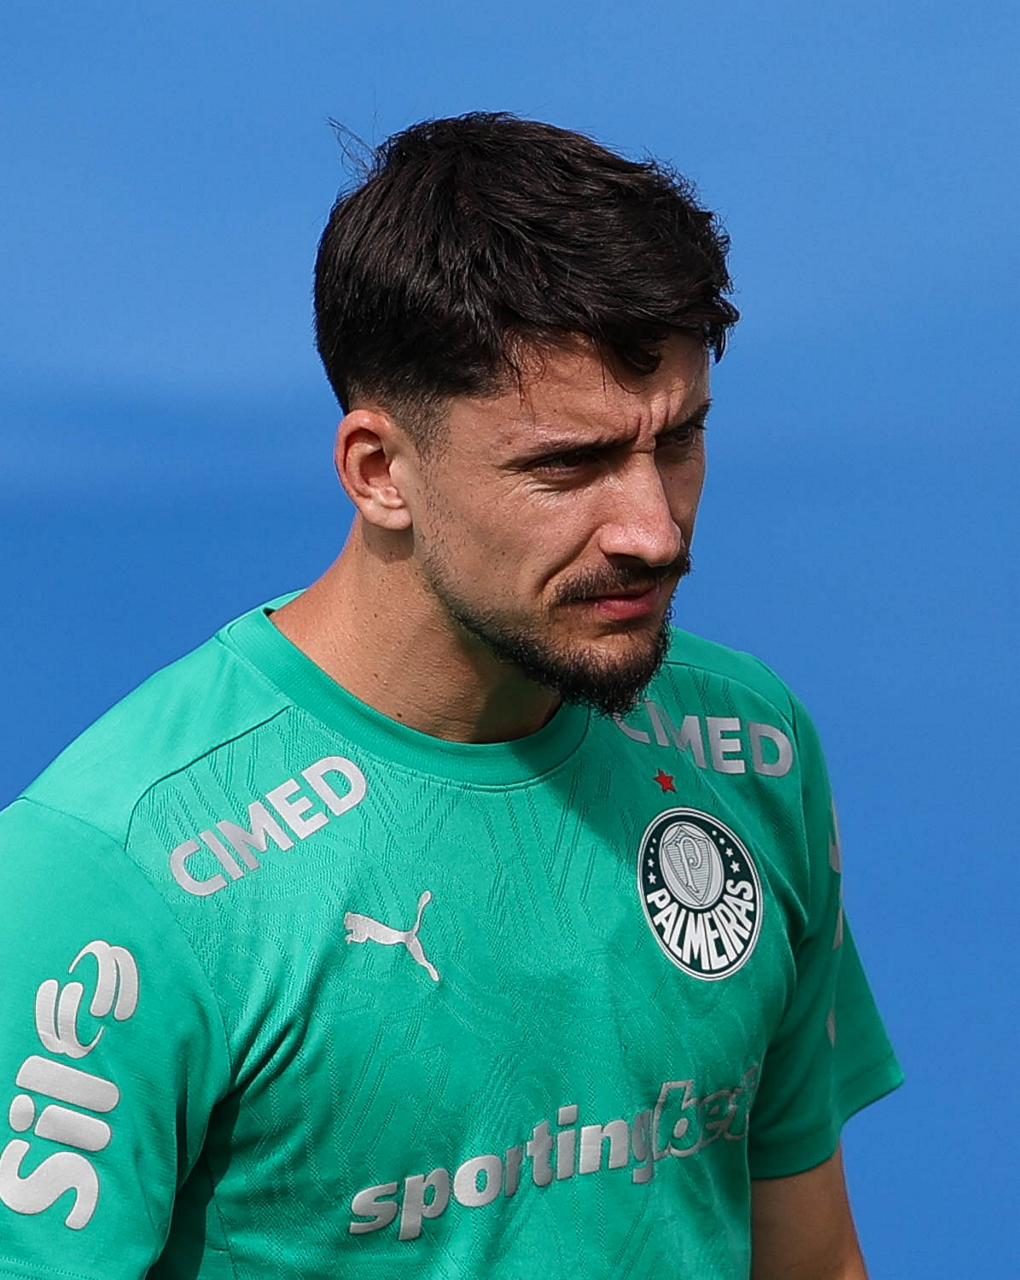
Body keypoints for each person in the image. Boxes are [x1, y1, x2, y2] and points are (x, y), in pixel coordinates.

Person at [0, 113, 902, 1279]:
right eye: (567, 464)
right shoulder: (109, 874)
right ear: (381, 471)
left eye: (679, 440)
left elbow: (812, 1257)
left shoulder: (751, 747)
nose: (653, 527)